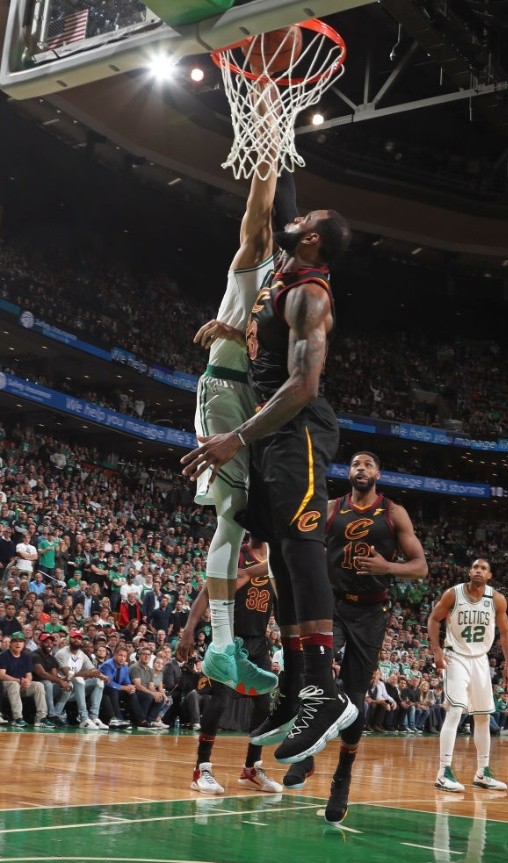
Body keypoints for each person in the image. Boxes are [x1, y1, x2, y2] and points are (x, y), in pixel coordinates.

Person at [182, 193, 355, 767]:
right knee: (280, 557)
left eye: (303, 220)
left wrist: (238, 437)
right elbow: (267, 205)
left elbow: (302, 385)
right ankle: (300, 686)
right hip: (272, 435)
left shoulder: (311, 293)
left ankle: (325, 693)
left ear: (312, 240)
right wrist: (233, 326)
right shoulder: (284, 277)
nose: (293, 220)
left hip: (296, 427)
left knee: (302, 554)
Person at [187, 98, 297, 700]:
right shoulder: (253, 261)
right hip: (225, 389)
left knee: (242, 520)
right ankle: (222, 642)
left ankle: (226, 646)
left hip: (254, 408)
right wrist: (270, 132)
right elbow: (260, 200)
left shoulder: (291, 289)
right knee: (230, 514)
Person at [281, 451, 427, 822]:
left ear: (378, 473)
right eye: (355, 465)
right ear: (348, 473)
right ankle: (307, 754)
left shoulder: (394, 512)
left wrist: (387, 567)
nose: (360, 469)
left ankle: (342, 776)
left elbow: (420, 567)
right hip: (331, 604)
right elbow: (305, 548)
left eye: (368, 465)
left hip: (370, 611)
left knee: (356, 692)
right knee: (315, 675)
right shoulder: (331, 508)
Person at [178, 536, 282, 794]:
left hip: (259, 642)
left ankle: (251, 769)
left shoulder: (275, 557)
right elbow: (206, 592)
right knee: (221, 701)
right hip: (229, 638)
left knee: (263, 703)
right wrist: (189, 630)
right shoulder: (235, 553)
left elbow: (279, 605)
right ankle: (201, 768)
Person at [428, 558, 508, 793]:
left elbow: (505, 633)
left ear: (489, 575)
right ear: (469, 571)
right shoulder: (453, 594)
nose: (478, 570)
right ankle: (443, 771)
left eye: (483, 568)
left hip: (480, 660)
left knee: (483, 716)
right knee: (456, 709)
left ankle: (483, 771)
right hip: (455, 656)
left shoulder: (496, 599)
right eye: (475, 567)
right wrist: (436, 650)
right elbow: (434, 619)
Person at [54, 630, 110, 729]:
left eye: (79, 638)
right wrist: (87, 673)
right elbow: (69, 675)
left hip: (75, 689)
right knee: (79, 679)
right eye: (74, 637)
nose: (77, 640)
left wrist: (102, 676)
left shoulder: (82, 654)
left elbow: (93, 669)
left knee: (99, 681)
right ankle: (84, 718)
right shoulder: (62, 653)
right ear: (69, 639)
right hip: (60, 687)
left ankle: (94, 717)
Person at [0, 631, 53, 727]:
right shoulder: (3, 655)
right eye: (15, 641)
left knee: (39, 685)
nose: (18, 643)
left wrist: (28, 681)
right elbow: (1, 675)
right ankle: (17, 718)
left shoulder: (26, 657)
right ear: (11, 643)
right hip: (6, 687)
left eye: (20, 641)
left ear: (24, 644)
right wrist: (19, 680)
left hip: (21, 685)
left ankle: (41, 718)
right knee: (14, 684)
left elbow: (29, 674)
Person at [31, 632, 73, 725]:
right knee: (47, 683)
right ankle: (51, 714)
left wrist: (65, 679)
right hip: (35, 685)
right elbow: (42, 674)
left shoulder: (52, 658)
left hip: (47, 688)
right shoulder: (35, 655)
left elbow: (54, 676)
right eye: (46, 642)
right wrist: (60, 681)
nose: (49, 644)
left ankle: (56, 714)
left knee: (69, 686)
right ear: (40, 643)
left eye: (51, 642)